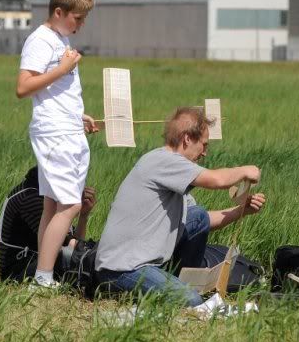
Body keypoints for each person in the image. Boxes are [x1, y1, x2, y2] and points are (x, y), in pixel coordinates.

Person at [95, 107, 266, 307]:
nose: (205, 152)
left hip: (141, 263)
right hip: (121, 270)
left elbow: (203, 220)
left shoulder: (172, 172)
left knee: (198, 216)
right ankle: (182, 289)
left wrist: (241, 210)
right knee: (190, 300)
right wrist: (245, 170)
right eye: (204, 144)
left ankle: (184, 282)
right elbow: (216, 180)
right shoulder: (164, 161)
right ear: (187, 139)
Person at [15, 0, 98, 288]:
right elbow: (23, 87)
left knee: (53, 206)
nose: (81, 24)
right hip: (55, 133)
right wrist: (62, 69)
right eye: (78, 17)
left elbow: (55, 93)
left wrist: (78, 116)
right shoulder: (41, 40)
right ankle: (43, 277)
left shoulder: (59, 39)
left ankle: (45, 273)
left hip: (65, 127)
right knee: (71, 205)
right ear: (59, 12)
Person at [0, 167, 97, 283]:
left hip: (36, 263)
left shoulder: (47, 194)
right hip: (18, 274)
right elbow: (70, 246)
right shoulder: (30, 197)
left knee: (86, 260)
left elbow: (74, 245)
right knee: (90, 263)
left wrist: (83, 216)